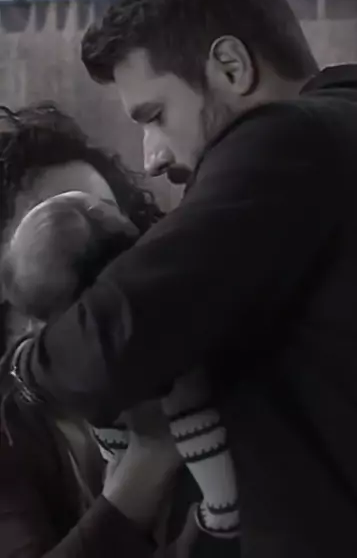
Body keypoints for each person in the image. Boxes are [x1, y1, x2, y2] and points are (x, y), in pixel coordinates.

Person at [11, 0, 357, 557]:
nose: (152, 156)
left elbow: (110, 343)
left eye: (156, 116)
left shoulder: (292, 141)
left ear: (231, 67)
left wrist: (26, 365)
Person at [0, 103, 238, 557]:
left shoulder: (197, 352)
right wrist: (149, 459)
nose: (88, 239)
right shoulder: (11, 425)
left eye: (101, 213)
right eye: (49, 225)